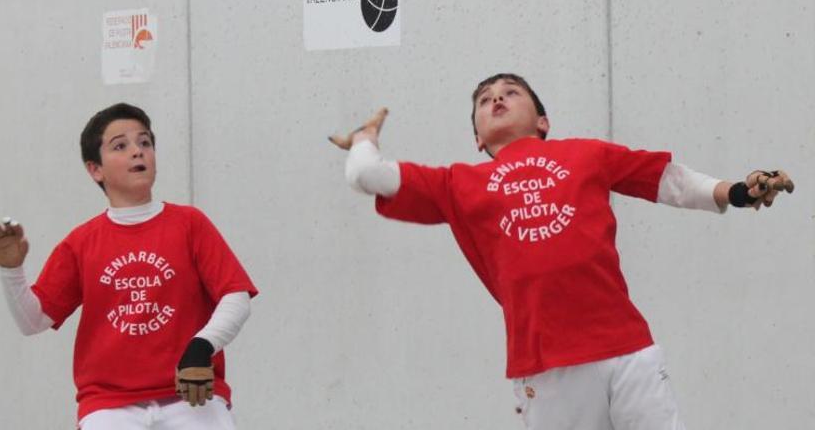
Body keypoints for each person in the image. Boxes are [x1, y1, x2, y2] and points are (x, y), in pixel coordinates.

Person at [329, 73, 794, 430]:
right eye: (485, 99)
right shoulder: (456, 184)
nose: (496, 98)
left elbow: (666, 179)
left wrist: (734, 192)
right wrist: (365, 138)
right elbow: (366, 176)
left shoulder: (586, 153)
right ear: (476, 137)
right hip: (546, 369)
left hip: (627, 348)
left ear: (543, 120)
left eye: (511, 91)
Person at [0, 103, 258, 430]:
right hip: (109, 405)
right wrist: (10, 271)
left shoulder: (190, 224)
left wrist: (203, 344)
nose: (137, 152)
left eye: (145, 143)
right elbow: (34, 321)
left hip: (192, 395)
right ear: (95, 169)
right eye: (120, 145)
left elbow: (236, 296)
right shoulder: (82, 241)